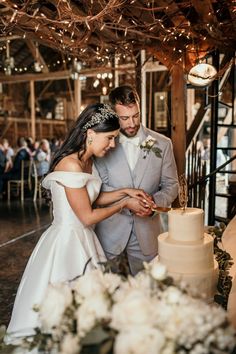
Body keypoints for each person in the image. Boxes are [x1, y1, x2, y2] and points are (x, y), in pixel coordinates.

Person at [6, 103, 154, 341]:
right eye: (110, 138)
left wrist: (127, 191)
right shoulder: (70, 164)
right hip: (67, 242)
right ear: (90, 134)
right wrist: (125, 204)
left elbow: (92, 197)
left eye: (115, 138)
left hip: (85, 238)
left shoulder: (87, 161)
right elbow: (86, 215)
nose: (113, 144)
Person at [94, 85, 179, 275]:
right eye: (124, 118)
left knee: (147, 292)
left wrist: (153, 204)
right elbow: (98, 189)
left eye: (136, 115)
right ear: (114, 115)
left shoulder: (162, 144)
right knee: (108, 291)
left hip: (147, 234)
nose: (131, 123)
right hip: (109, 233)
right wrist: (126, 202)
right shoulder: (104, 145)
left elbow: (171, 185)